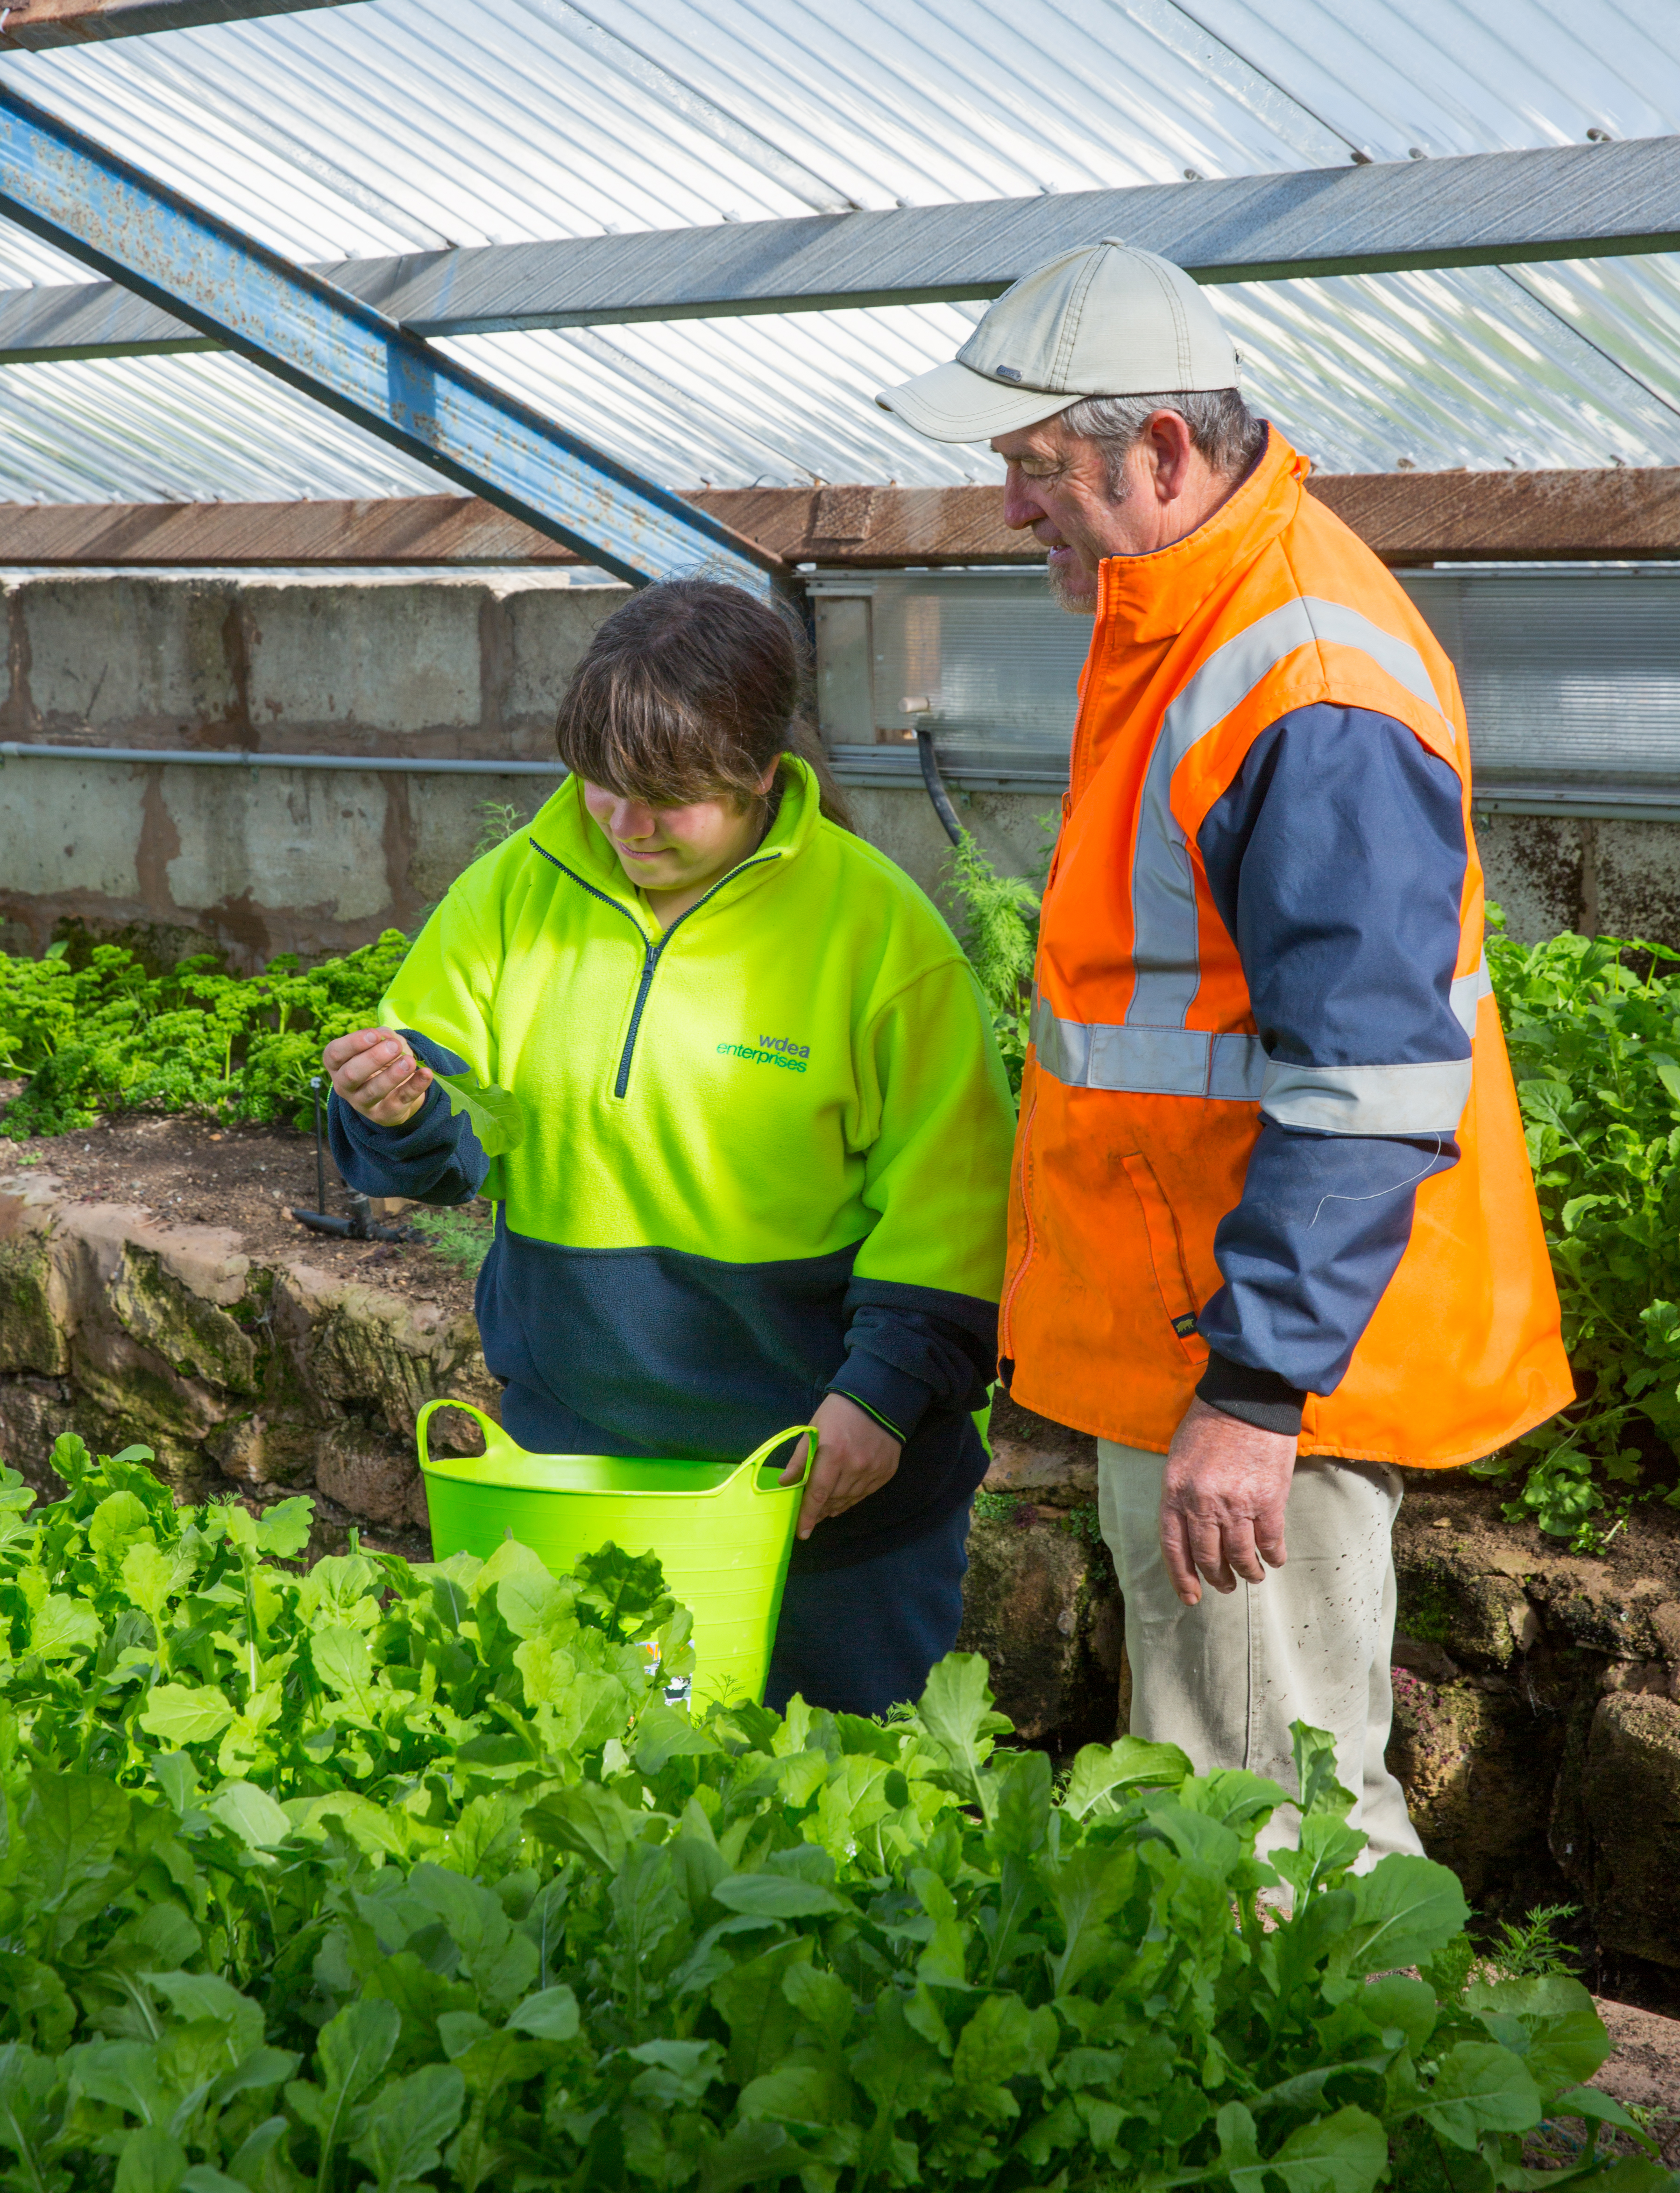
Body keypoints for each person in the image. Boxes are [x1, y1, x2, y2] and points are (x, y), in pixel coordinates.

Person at [876, 238, 1572, 1847]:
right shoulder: (1193, 622)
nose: (1010, 507)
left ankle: (1332, 2087)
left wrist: (1255, 1396)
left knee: (1264, 1801)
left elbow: (1369, 1080)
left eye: (1033, 465)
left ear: (1165, 452)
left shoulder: (1305, 678)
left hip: (1260, 1346)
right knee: (1226, 1757)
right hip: (1205, 1315)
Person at [320, 580, 1015, 1719]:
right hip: (580, 1470)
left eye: (666, 800)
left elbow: (957, 1204)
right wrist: (394, 1110)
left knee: (841, 1824)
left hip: (819, 1496)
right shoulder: (512, 896)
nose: (626, 824)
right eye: (605, 788)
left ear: (756, 773)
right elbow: (443, 1138)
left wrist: (881, 1401)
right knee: (597, 1823)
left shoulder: (885, 939)